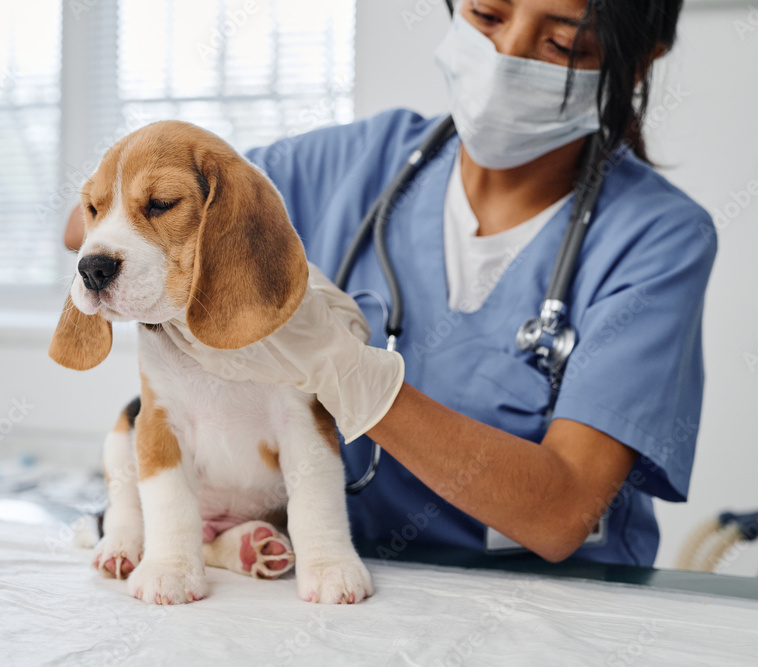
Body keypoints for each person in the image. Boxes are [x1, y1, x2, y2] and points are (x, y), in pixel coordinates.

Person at [65, 0, 715, 567]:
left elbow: (562, 512)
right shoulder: (359, 160)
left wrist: (354, 377)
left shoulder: (657, 237)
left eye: (563, 43)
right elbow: (97, 218)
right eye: (488, 13)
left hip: (556, 604)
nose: (507, 54)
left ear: (636, 64)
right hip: (358, 587)